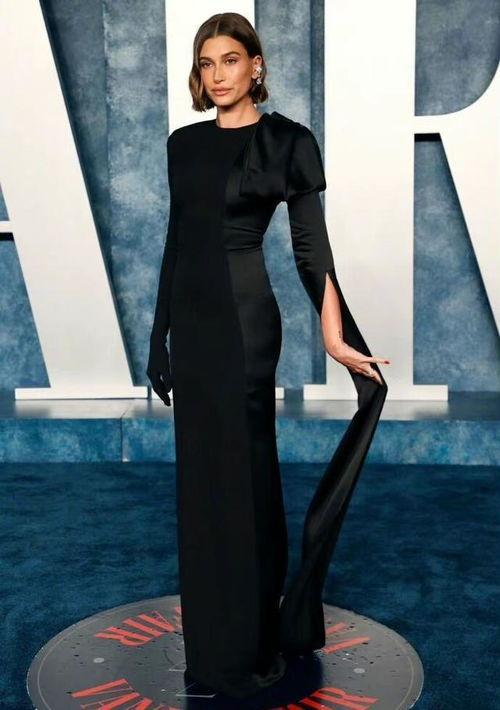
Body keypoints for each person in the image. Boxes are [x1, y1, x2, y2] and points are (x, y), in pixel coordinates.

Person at [147, 11, 390, 701]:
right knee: (201, 487)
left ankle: (253, 645)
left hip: (245, 326)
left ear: (256, 65)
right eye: (206, 63)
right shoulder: (183, 145)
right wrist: (158, 335)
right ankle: (212, 647)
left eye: (230, 59)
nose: (217, 74)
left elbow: (312, 250)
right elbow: (177, 240)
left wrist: (335, 337)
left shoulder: (288, 141)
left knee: (246, 482)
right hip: (193, 331)